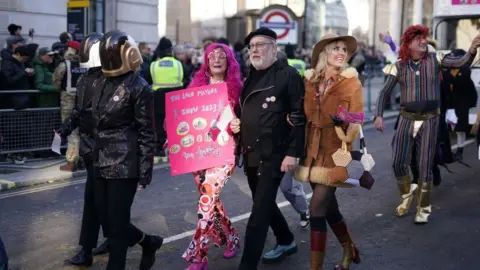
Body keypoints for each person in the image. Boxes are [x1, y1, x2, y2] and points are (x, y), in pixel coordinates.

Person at [374, 25, 480, 224]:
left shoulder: (436, 59)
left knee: (424, 166)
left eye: (424, 38)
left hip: (430, 120)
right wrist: (378, 115)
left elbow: (461, 61)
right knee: (398, 162)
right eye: (419, 39)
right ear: (409, 44)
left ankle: (423, 208)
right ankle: (406, 198)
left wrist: (473, 48)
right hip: (406, 119)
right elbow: (383, 92)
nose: (423, 41)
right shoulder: (399, 65)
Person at [230, 27, 306, 270]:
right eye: (251, 47)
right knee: (263, 203)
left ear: (274, 48)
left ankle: (247, 265)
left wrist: (293, 153)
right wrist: (237, 123)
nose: (254, 50)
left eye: (260, 45)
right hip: (251, 152)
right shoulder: (251, 75)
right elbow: (246, 111)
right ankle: (286, 240)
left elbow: (299, 116)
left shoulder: (289, 75)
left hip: (275, 154)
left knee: (258, 216)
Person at [93, 30, 163, 270]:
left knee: (117, 222)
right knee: (106, 219)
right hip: (100, 158)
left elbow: (146, 132)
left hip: (125, 161)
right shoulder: (101, 82)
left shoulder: (140, 87)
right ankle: (149, 242)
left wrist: (145, 171)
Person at [294, 32, 363, 270]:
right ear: (324, 53)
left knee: (315, 208)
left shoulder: (351, 82)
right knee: (328, 208)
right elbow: (302, 113)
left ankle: (315, 267)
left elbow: (357, 117)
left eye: (344, 50)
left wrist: (341, 119)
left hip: (337, 151)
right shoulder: (311, 81)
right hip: (312, 150)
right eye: (336, 48)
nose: (342, 53)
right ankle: (348, 247)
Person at [180, 43, 242, 270]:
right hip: (199, 153)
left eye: (222, 56)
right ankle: (231, 237)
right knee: (211, 202)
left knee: (206, 201)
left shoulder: (236, 88)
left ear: (229, 61)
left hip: (224, 154)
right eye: (212, 56)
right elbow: (185, 118)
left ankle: (198, 256)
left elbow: (245, 119)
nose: (217, 59)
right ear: (206, 61)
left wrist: (238, 124)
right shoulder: (197, 86)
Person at [58, 33, 105, 267]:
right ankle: (89, 249)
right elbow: (79, 110)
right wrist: (64, 129)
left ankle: (138, 239)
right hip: (90, 148)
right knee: (95, 201)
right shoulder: (86, 79)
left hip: (109, 149)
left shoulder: (114, 78)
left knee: (102, 202)